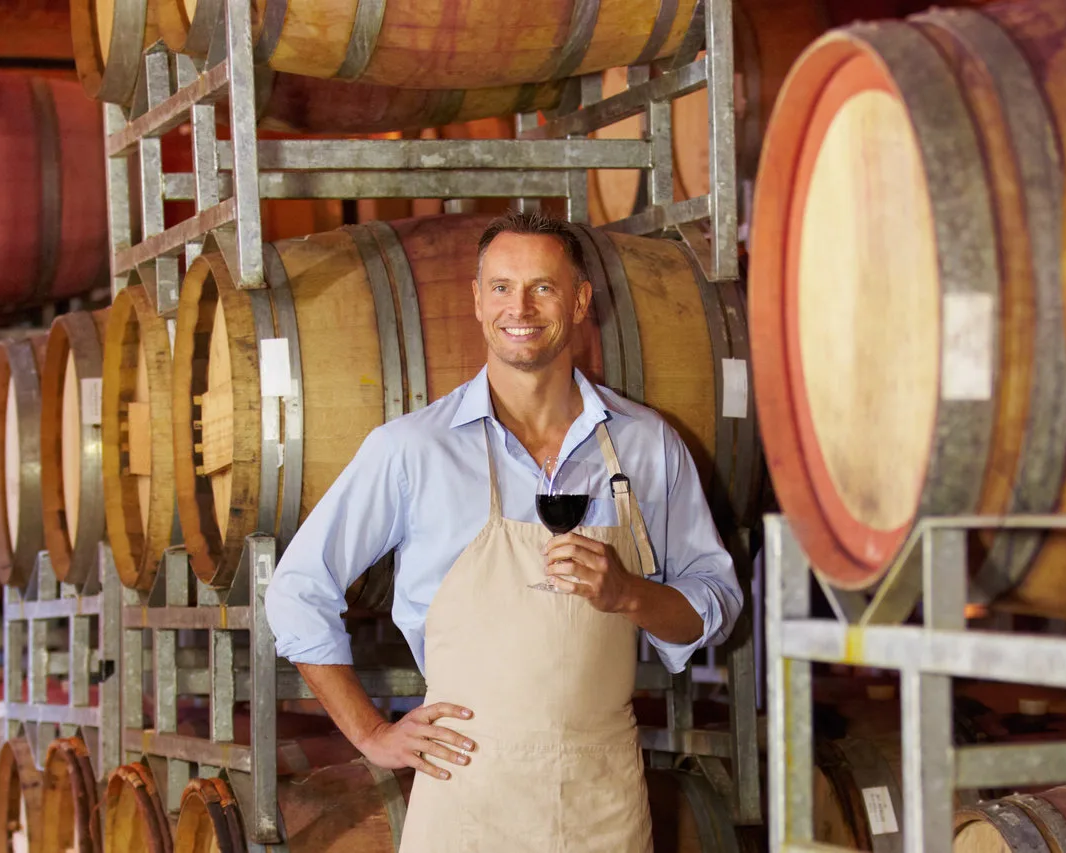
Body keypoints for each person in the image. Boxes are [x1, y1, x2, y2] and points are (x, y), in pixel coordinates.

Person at [265, 211, 743, 852]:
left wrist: (631, 595)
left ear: (578, 302)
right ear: (476, 299)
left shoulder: (645, 444)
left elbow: (715, 604)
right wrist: (373, 734)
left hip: (600, 804)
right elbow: (297, 587)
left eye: (542, 287)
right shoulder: (413, 450)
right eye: (500, 286)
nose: (519, 306)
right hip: (466, 798)